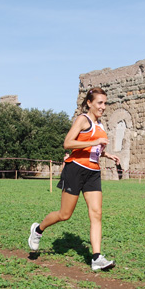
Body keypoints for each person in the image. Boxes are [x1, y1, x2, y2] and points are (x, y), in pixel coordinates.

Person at [28, 87, 120, 271]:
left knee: (96, 213)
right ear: (89, 103)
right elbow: (68, 143)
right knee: (65, 214)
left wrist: (106, 155)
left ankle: (96, 258)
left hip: (93, 172)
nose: (103, 106)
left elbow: (92, 150)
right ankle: (38, 230)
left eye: (105, 103)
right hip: (75, 170)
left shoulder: (100, 125)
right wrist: (94, 142)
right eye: (100, 103)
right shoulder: (82, 120)